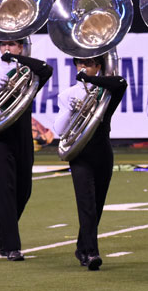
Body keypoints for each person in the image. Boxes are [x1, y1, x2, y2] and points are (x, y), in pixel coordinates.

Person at [0, 39, 52, 261]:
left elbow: (46, 69)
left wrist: (18, 61)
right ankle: (11, 246)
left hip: (22, 137)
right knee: (4, 192)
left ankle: (1, 229)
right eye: (3, 44)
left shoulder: (28, 75)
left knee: (24, 191)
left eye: (13, 44)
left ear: (21, 47)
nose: (7, 48)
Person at [53, 56, 127, 271]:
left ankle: (82, 247)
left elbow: (121, 83)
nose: (84, 67)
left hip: (103, 151)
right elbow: (59, 129)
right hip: (80, 153)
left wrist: (91, 81)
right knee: (86, 204)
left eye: (91, 63)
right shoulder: (68, 95)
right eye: (80, 63)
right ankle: (92, 252)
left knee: (98, 204)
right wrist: (71, 110)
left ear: (99, 67)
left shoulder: (107, 92)